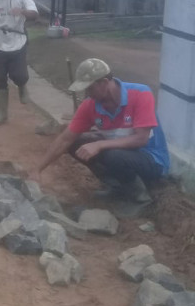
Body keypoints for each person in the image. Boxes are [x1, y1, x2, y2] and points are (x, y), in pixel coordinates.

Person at [33, 58, 169, 202]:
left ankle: (139, 197)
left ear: (104, 83)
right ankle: (116, 187)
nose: (87, 93)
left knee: (113, 155)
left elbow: (141, 139)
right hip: (120, 154)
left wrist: (99, 144)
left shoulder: (140, 94)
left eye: (90, 88)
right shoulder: (90, 105)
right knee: (77, 143)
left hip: (152, 160)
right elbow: (65, 139)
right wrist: (38, 169)